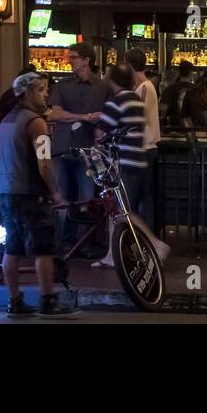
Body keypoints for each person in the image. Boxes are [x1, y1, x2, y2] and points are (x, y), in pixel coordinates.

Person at [0, 71, 74, 318]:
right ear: (28, 93)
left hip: (7, 192)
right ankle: (48, 300)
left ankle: (14, 301)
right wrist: (55, 192)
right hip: (31, 193)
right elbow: (44, 163)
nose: (46, 94)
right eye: (41, 90)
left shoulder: (6, 121)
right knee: (43, 249)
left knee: (13, 249)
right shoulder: (37, 123)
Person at [94, 64, 171, 269]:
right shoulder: (136, 101)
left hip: (122, 163)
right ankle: (112, 254)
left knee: (122, 211)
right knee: (118, 210)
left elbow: (100, 134)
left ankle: (156, 245)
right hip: (139, 160)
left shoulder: (116, 102)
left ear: (113, 81)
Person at [46, 43, 105, 252]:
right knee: (64, 199)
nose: (69, 61)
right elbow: (54, 114)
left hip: (87, 151)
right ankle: (64, 243)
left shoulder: (101, 86)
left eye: (73, 57)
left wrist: (97, 125)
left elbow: (108, 116)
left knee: (86, 199)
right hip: (63, 148)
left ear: (87, 60)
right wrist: (85, 117)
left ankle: (82, 243)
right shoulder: (62, 85)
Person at [124, 48, 161, 225]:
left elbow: (138, 118)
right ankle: (146, 239)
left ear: (129, 65)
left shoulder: (144, 88)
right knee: (145, 196)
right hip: (148, 148)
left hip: (142, 149)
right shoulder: (146, 86)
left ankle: (142, 238)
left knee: (137, 197)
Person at [161, 60, 195, 127]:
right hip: (193, 128)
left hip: (174, 127)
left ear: (178, 73)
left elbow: (163, 110)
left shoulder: (169, 89)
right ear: (191, 73)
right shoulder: (196, 89)